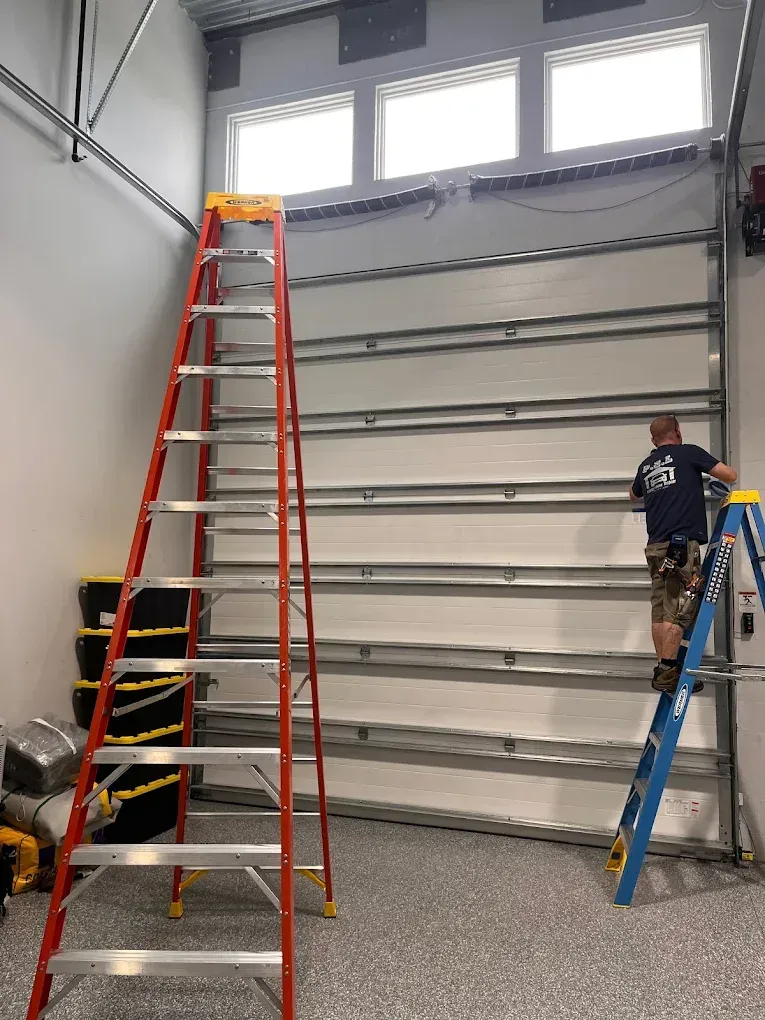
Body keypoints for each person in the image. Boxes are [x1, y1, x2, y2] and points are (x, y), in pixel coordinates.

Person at [630, 415, 737, 693]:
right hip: (680, 547)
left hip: (655, 547)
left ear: (653, 440)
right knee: (679, 609)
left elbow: (633, 495)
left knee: (659, 609)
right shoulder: (688, 452)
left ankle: (663, 669)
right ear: (677, 432)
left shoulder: (646, 465)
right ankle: (667, 671)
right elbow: (730, 475)